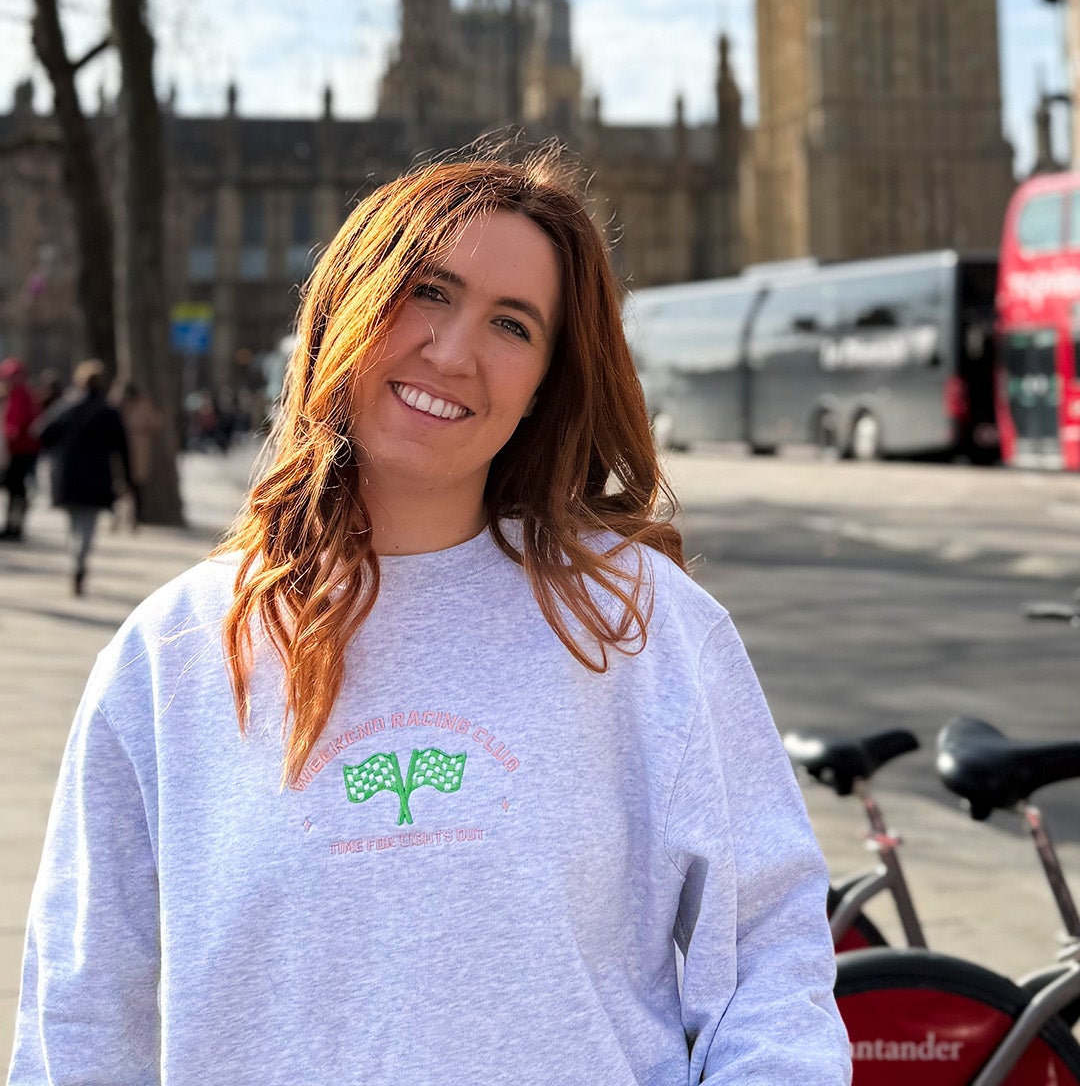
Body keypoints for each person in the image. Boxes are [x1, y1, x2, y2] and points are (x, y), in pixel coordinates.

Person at [10, 153, 848, 1085]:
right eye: (428, 292)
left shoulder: (638, 624)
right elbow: (79, 1015)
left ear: (547, 382)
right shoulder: (175, 652)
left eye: (512, 325)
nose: (453, 353)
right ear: (347, 305)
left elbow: (770, 955)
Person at [35, 359, 130, 595]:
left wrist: (58, 452)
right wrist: (127, 481)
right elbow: (122, 449)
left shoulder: (66, 407)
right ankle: (79, 562)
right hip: (96, 477)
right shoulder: (108, 412)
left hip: (67, 476)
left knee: (74, 523)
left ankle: (75, 561)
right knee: (87, 525)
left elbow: (41, 432)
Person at [113, 379, 164, 526]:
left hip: (138, 449)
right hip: (120, 448)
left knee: (136, 486)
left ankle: (135, 518)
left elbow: (156, 422)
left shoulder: (144, 404)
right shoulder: (117, 404)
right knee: (119, 484)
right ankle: (117, 516)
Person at [1, 358, 40, 540]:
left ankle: (14, 526)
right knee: (15, 490)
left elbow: (16, 423)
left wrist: (9, 433)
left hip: (20, 450)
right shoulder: (19, 393)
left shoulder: (20, 394)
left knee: (16, 490)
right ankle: (13, 525)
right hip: (16, 450)